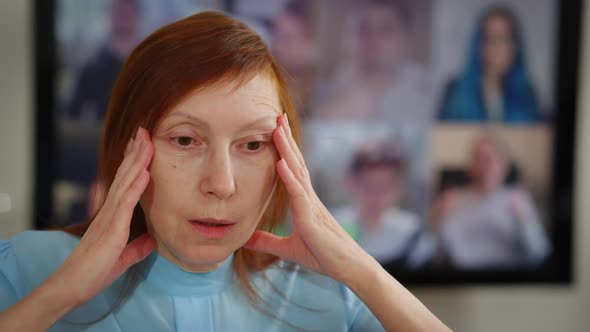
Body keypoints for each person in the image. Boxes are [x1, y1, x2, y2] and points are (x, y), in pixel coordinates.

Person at [0, 12, 450, 331]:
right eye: (185, 140)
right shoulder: (26, 269)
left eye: (253, 145)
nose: (221, 184)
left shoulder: (332, 296)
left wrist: (360, 271)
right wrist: (58, 297)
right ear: (127, 148)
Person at [429, 135, 550, 269]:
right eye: (480, 158)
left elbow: (539, 252)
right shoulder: (451, 199)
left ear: (504, 165)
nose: (486, 164)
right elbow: (435, 254)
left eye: (492, 157)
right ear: (471, 165)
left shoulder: (518, 199)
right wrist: (438, 221)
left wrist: (525, 222)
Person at [313, 0, 434, 125]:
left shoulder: (432, 96)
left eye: (385, 29)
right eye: (363, 28)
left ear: (407, 40)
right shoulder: (326, 92)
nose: (372, 37)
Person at [437, 5, 541, 123]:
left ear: (515, 46)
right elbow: (443, 137)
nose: (497, 48)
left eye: (504, 39)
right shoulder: (454, 92)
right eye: (490, 39)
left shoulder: (528, 94)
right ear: (479, 45)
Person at [332, 142, 422, 267]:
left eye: (384, 187)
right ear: (351, 183)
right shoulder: (333, 226)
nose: (376, 197)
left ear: (398, 187)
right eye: (368, 186)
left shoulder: (412, 231)